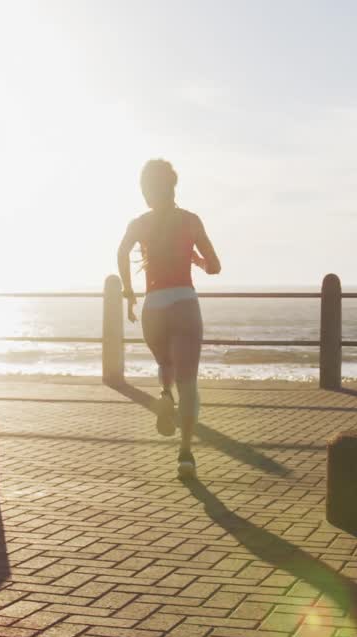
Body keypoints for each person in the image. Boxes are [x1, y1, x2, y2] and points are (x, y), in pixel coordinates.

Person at [117, 159, 221, 479]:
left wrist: (129, 292)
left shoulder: (139, 224)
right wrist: (196, 260)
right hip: (184, 303)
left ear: (146, 190)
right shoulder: (191, 221)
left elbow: (121, 253)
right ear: (173, 186)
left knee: (165, 363)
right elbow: (215, 266)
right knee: (189, 383)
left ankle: (164, 396)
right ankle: (186, 455)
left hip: (154, 306)